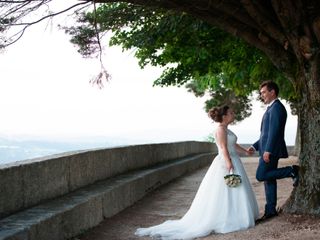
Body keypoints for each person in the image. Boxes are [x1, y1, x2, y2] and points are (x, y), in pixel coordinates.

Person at [135, 105, 259, 240]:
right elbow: (223, 147)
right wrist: (229, 162)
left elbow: (232, 145)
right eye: (231, 112)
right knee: (225, 190)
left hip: (234, 160)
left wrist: (246, 151)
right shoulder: (220, 129)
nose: (233, 113)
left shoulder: (226, 129)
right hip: (226, 162)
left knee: (235, 189)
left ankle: (237, 215)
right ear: (224, 116)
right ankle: (227, 217)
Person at [247, 80, 299, 222]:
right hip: (265, 149)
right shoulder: (271, 108)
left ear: (272, 92)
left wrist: (268, 150)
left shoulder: (277, 108)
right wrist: (255, 146)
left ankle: (291, 170)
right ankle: (270, 210)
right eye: (261, 93)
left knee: (261, 175)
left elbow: (275, 132)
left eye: (264, 92)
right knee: (268, 179)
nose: (261, 95)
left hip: (270, 150)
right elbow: (265, 133)